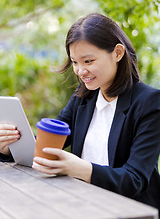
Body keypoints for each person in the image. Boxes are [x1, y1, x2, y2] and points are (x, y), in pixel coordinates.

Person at [0, 13, 160, 214]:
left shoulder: (149, 102)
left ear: (118, 53)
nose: (80, 71)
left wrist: (81, 169)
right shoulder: (83, 98)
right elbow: (47, 147)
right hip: (82, 204)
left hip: (130, 212)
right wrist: (9, 146)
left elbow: (134, 179)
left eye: (89, 61)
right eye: (75, 62)